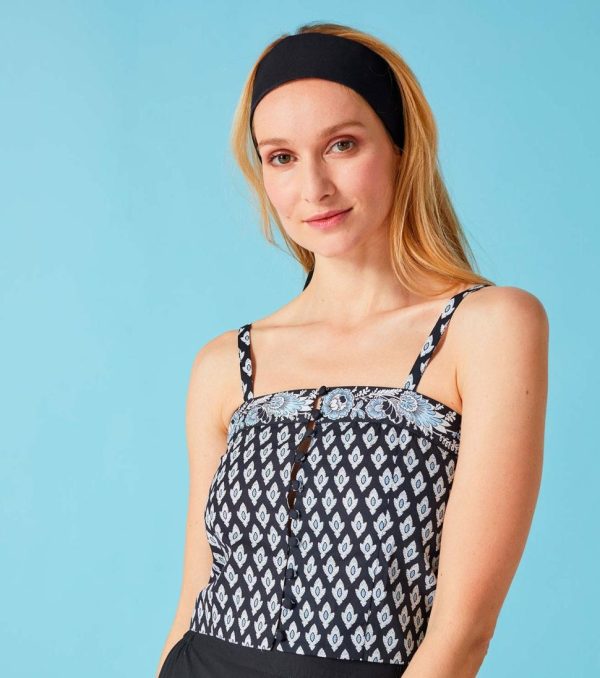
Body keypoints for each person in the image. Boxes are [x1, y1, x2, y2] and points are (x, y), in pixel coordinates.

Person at [155, 22, 548, 678]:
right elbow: (192, 601)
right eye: (281, 157)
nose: (314, 187)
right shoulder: (226, 364)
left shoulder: (487, 327)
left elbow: (463, 636)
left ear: (400, 146)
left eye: (342, 145)